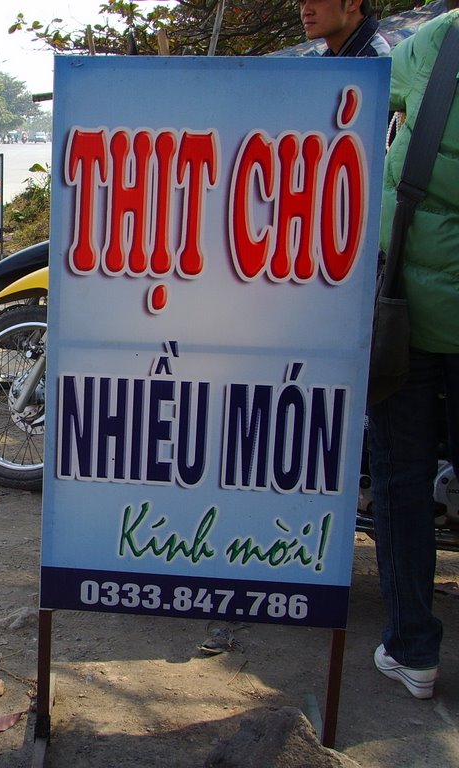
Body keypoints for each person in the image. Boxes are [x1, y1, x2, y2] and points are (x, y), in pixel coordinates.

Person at [367, 6, 459, 700]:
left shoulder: (436, 43)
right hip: (421, 319)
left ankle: (413, 651)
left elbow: (352, 105)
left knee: (401, 485)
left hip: (413, 320)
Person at [297, 0, 390, 57]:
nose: (305, 11)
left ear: (352, 2)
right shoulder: (330, 59)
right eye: (302, 1)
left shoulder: (378, 63)